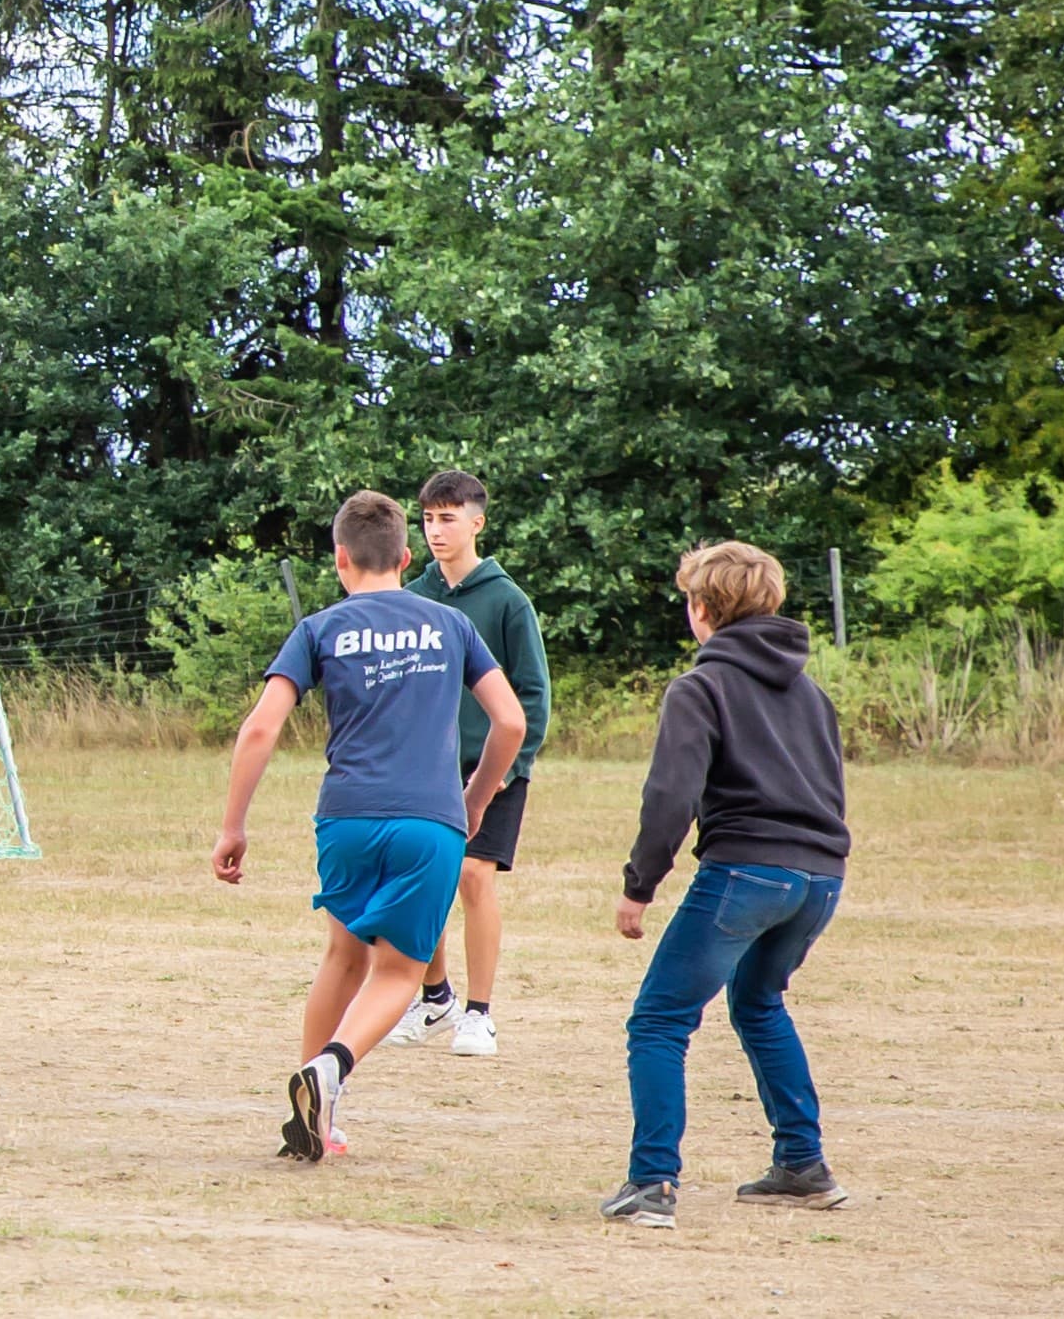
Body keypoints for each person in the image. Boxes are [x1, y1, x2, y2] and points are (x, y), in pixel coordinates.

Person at [212, 491, 525, 1163]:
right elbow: (510, 721)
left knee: (342, 956)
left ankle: (311, 1120)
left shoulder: (319, 628)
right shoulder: (449, 625)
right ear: (405, 556)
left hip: (345, 816)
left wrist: (232, 826)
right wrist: (475, 800)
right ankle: (330, 1068)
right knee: (398, 973)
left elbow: (261, 726)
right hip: (427, 820)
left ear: (339, 559)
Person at [600, 541, 855, 1230]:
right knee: (759, 1003)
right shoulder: (811, 694)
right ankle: (802, 1164)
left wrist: (638, 885)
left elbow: (669, 794)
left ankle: (651, 1182)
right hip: (820, 877)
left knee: (657, 1020)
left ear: (700, 609)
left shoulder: (699, 687)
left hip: (745, 871)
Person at [387, 470, 552, 1058]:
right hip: (425, 767)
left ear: (477, 523)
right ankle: (435, 999)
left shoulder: (508, 600)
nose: (436, 529)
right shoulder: (414, 597)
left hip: (493, 765)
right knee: (425, 876)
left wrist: (512, 760)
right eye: (428, 518)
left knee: (471, 876)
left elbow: (533, 693)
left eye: (448, 518)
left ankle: (479, 1015)